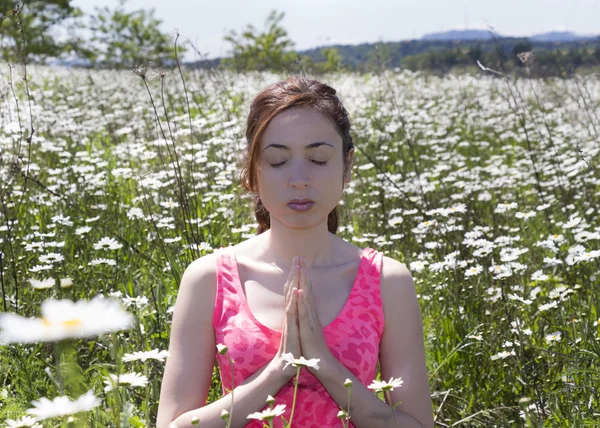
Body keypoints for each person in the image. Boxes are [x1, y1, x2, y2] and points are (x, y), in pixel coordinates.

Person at [156, 76, 434, 428]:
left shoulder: (386, 281)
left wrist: (325, 366)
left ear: (347, 166)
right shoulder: (210, 278)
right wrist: (277, 371)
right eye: (277, 161)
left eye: (318, 160)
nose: (299, 179)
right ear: (252, 170)